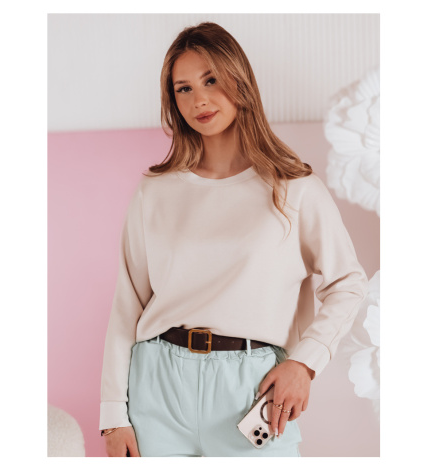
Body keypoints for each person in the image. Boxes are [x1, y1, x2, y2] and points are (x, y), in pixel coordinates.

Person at [98, 21, 368, 457]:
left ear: (239, 80)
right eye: (183, 89)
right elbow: (127, 303)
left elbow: (348, 283)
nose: (199, 99)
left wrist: (305, 363)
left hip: (252, 391)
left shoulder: (294, 189)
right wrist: (113, 414)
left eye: (211, 80)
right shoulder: (155, 191)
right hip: (156, 388)